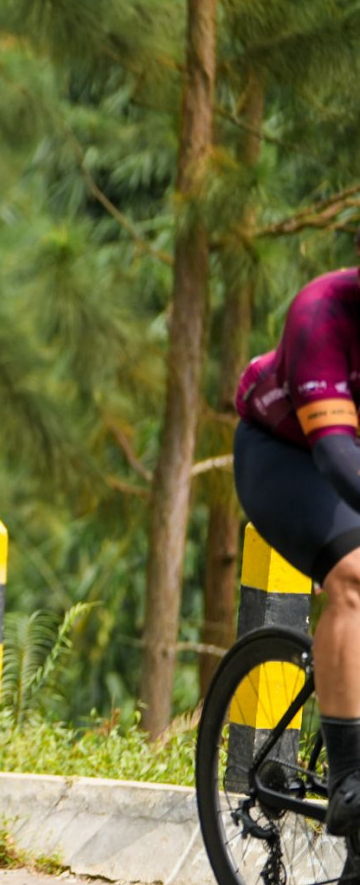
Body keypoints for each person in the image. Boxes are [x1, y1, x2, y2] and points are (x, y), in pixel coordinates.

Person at [234, 264, 360, 861]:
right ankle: (350, 778)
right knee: (353, 576)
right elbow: (335, 458)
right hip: (284, 458)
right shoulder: (322, 312)